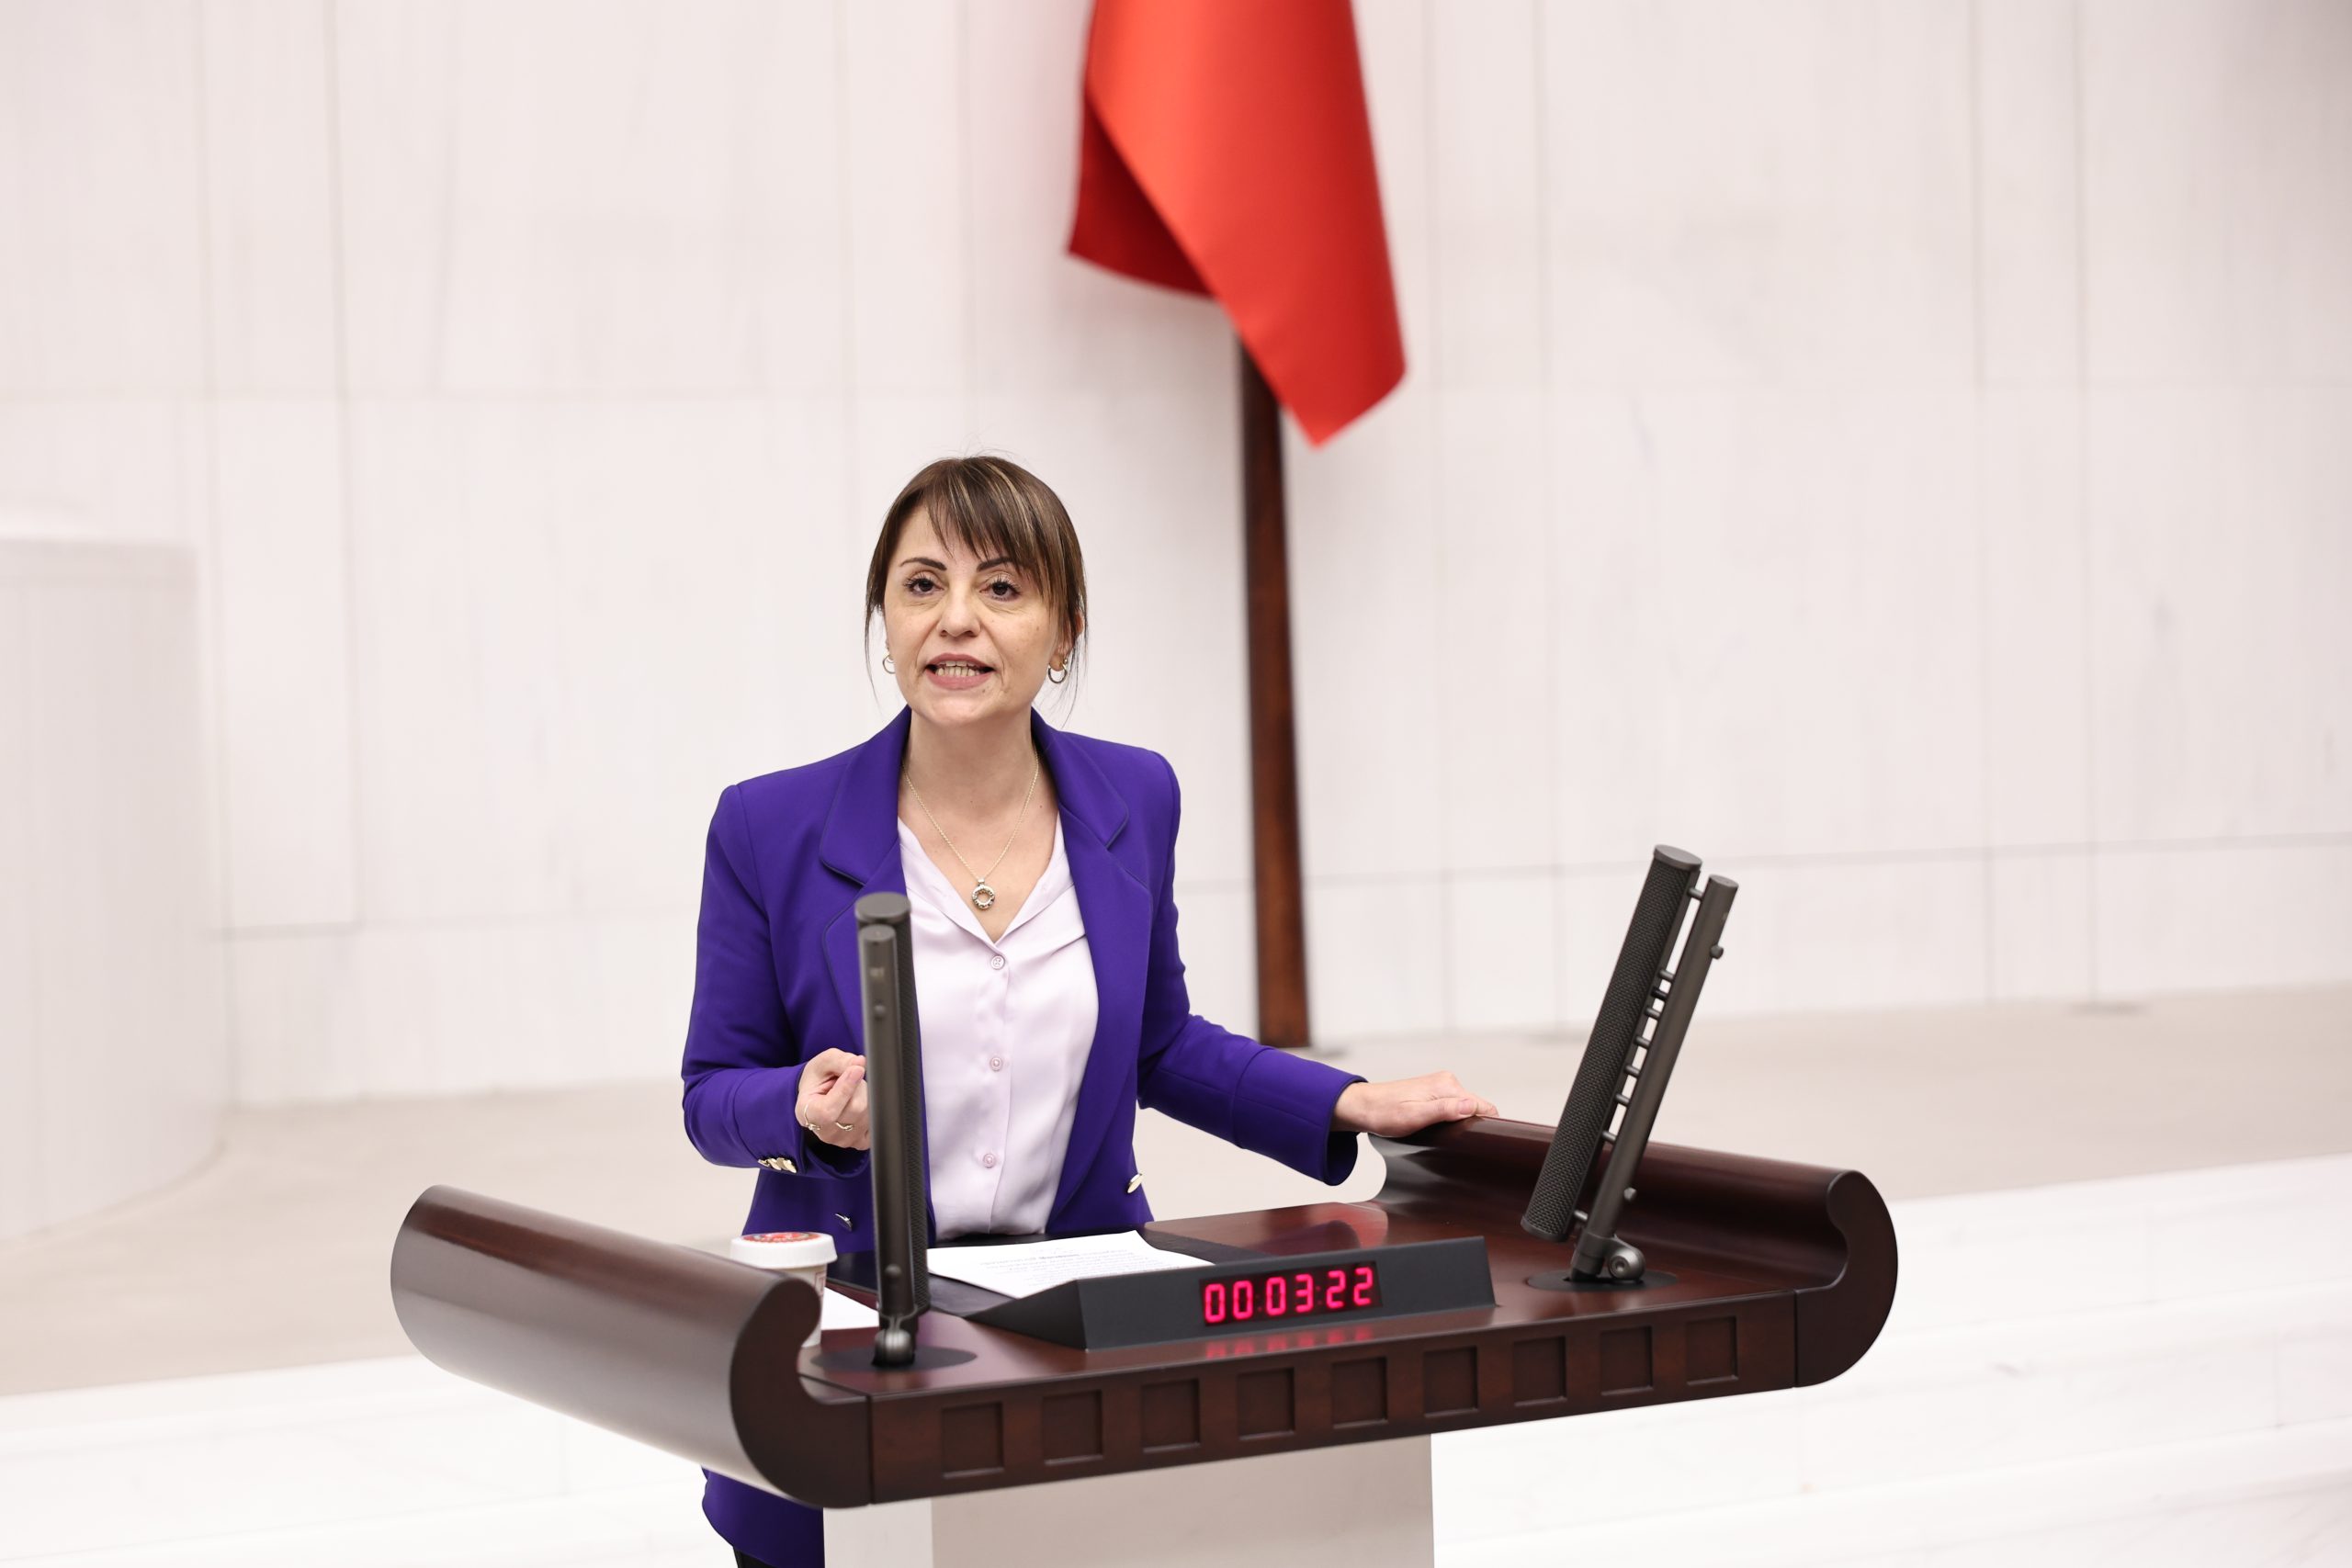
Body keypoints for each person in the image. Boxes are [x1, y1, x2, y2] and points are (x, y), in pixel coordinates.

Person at [680, 455, 1497, 1568]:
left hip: (1073, 1328)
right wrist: (800, 1109)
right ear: (885, 620)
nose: (955, 620)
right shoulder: (768, 825)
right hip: (853, 1334)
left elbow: (1160, 1042)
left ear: (1063, 629)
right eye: (921, 585)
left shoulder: (1133, 797)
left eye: (1001, 587)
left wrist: (1348, 1101)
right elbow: (712, 1095)